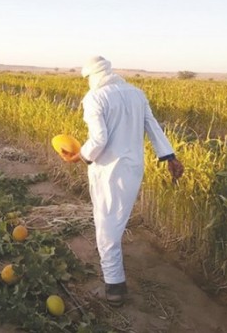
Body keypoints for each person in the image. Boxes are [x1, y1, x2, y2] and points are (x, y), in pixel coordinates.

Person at [63, 56, 184, 306]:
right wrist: (170, 156)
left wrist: (79, 156)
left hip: (109, 170)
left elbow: (98, 140)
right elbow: (153, 126)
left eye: (87, 78)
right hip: (133, 168)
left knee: (106, 227)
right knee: (113, 221)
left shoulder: (95, 98)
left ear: (92, 76)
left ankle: (115, 287)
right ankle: (113, 276)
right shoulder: (137, 93)